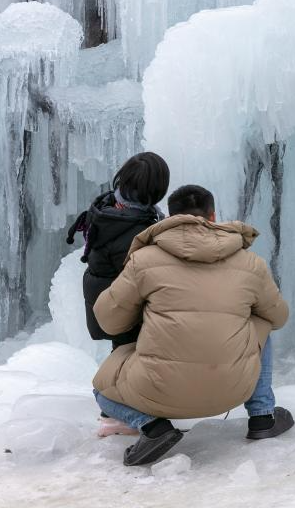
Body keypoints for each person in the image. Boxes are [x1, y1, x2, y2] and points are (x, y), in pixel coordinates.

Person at [91, 185, 292, 466]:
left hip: (156, 393)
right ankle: (262, 416)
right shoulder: (251, 263)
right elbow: (280, 317)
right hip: (233, 389)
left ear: (170, 218)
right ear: (212, 216)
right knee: (262, 317)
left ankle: (152, 427)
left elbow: (109, 321)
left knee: (101, 389)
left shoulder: (144, 260)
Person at [66, 152, 169, 437]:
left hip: (104, 295)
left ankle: (118, 406)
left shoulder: (109, 208)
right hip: (120, 301)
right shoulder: (137, 229)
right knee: (129, 351)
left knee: (122, 350)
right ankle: (122, 411)